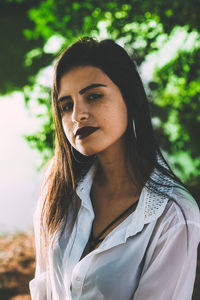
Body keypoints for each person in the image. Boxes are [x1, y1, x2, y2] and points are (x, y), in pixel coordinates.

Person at [29, 37, 200, 300]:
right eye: (66, 105)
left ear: (129, 99)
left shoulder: (174, 215)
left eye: (93, 96)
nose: (77, 116)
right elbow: (43, 284)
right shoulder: (58, 183)